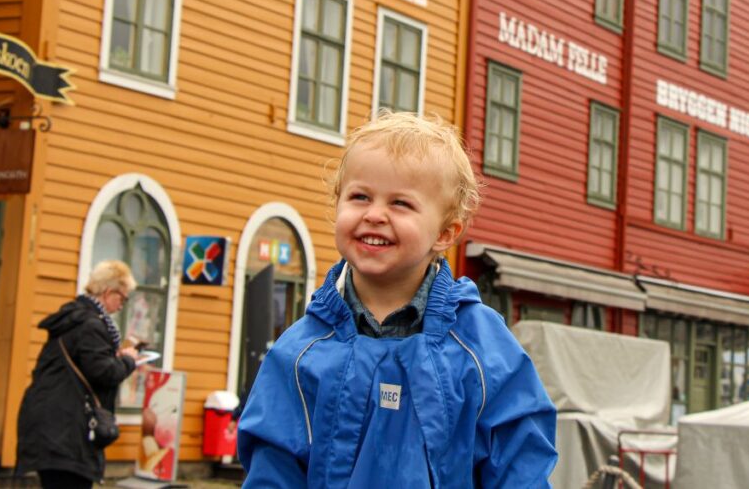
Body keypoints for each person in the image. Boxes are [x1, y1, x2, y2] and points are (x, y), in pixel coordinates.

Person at [237, 111, 558, 487]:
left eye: (400, 204)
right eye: (360, 196)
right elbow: (272, 471)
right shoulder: (299, 353)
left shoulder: (480, 347)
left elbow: (521, 463)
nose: (375, 214)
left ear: (445, 233)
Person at [16, 260, 140, 489]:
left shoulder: (75, 319)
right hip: (67, 428)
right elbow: (104, 372)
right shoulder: (90, 325)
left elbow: (90, 363)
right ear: (108, 292)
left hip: (52, 423)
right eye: (122, 297)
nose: (122, 305)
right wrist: (128, 360)